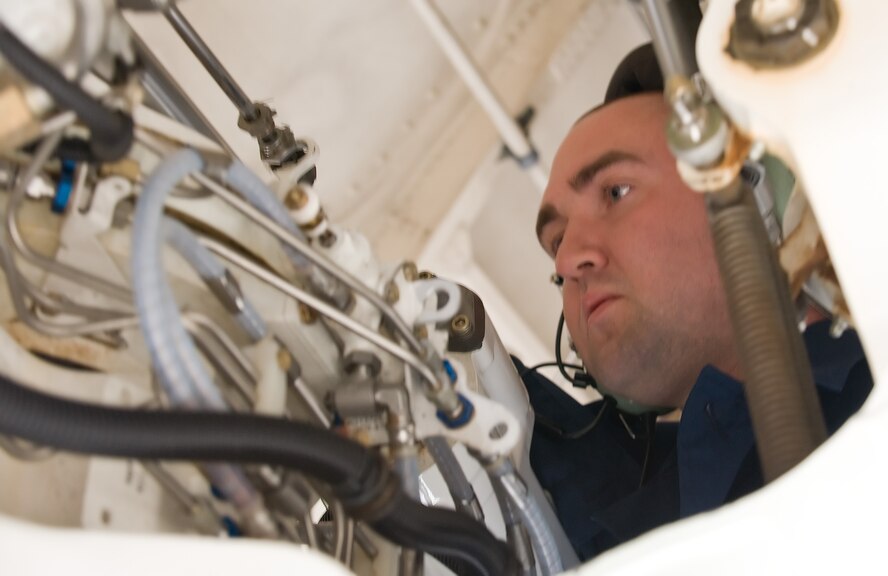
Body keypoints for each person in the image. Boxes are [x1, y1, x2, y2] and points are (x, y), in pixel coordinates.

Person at [519, 43, 873, 561]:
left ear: (747, 196)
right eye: (556, 241)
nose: (568, 259)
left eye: (616, 193)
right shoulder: (600, 520)